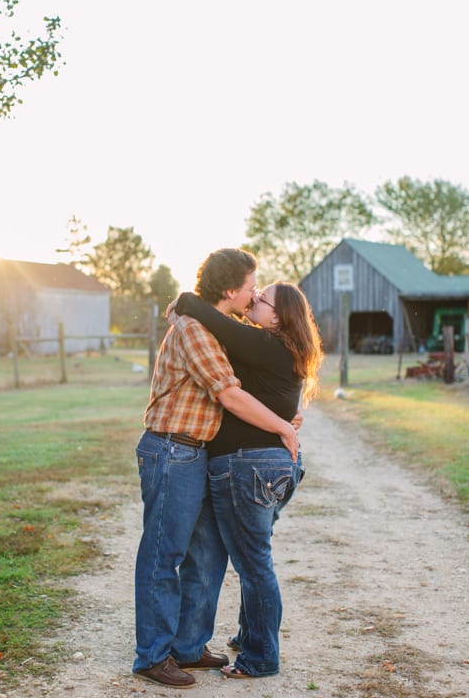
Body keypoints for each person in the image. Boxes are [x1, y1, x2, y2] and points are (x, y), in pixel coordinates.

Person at [132, 249, 299, 689]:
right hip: (173, 449)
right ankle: (152, 655)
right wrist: (283, 426)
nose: (254, 293)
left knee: (206, 555)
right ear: (231, 290)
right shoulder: (194, 331)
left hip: (197, 452)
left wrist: (283, 414)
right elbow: (228, 394)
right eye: (251, 285)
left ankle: (188, 646)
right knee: (164, 553)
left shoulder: (215, 328)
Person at [174, 279, 323, 678]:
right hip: (273, 465)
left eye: (263, 297)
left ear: (279, 315)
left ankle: (260, 657)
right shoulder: (283, 349)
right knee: (255, 556)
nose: (254, 299)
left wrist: (186, 299)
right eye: (254, 293)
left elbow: (203, 312)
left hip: (246, 465)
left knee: (254, 564)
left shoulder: (267, 344)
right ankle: (248, 635)